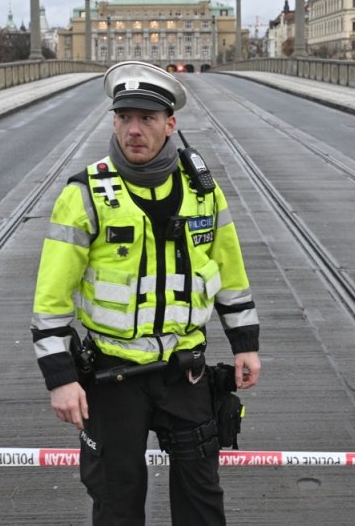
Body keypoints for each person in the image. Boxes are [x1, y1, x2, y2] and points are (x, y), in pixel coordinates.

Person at [31, 60, 261, 525]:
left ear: (170, 124)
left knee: (202, 500)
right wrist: (60, 377)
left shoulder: (203, 193)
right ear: (114, 120)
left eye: (147, 119)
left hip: (185, 371)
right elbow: (51, 299)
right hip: (113, 376)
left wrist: (245, 345)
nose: (133, 130)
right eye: (124, 118)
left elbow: (230, 272)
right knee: (117, 501)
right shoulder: (85, 194)